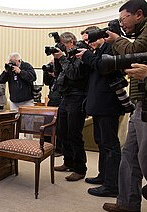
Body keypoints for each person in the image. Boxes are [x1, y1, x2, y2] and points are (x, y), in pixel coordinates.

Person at [102, 0, 147, 212]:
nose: (122, 24)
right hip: (142, 102)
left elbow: (135, 50)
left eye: (124, 19)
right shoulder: (141, 32)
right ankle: (128, 203)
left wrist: (116, 39)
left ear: (138, 14)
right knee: (129, 154)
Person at [76, 26, 124, 197]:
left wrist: (88, 55)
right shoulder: (96, 52)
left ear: (99, 36)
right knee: (101, 142)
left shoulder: (111, 46)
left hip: (108, 104)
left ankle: (112, 186)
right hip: (99, 104)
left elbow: (105, 67)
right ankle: (104, 176)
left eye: (89, 39)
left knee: (110, 144)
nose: (87, 43)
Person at [53, 32, 90, 181]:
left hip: (78, 96)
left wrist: (62, 58)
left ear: (72, 42)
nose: (62, 47)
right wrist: (58, 59)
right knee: (62, 132)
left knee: (74, 134)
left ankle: (80, 168)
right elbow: (58, 74)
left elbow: (74, 74)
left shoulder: (80, 53)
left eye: (63, 44)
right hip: (66, 97)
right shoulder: (67, 57)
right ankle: (68, 162)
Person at [43, 59, 63, 156]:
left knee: (59, 126)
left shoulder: (62, 71)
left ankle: (59, 149)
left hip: (60, 100)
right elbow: (46, 82)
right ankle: (47, 146)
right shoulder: (53, 76)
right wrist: (47, 73)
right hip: (52, 100)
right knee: (48, 123)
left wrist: (57, 74)